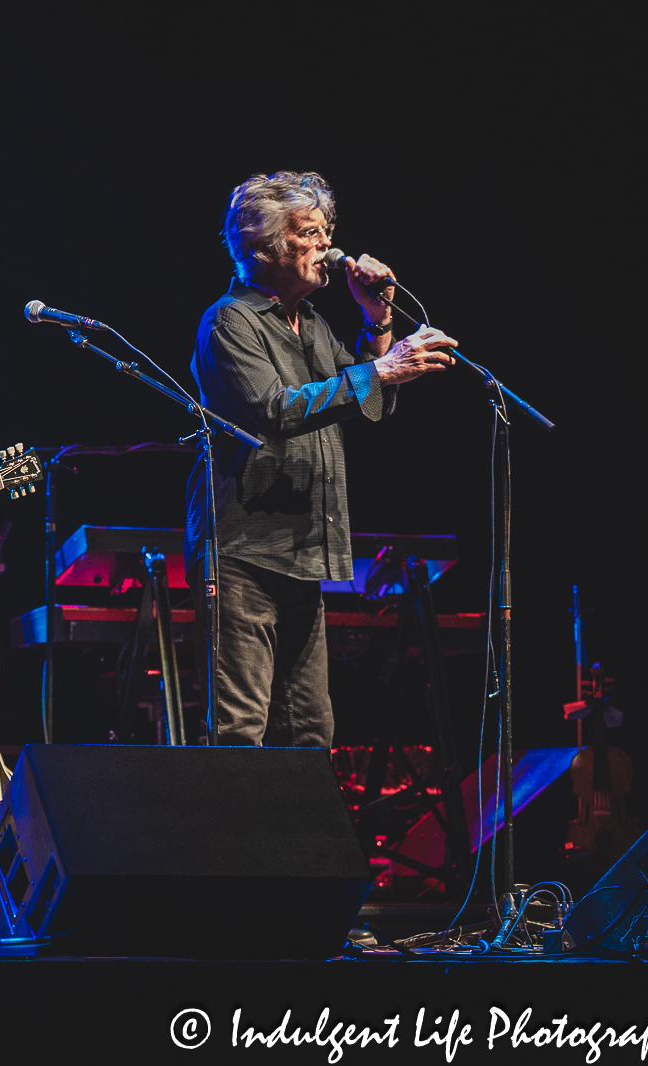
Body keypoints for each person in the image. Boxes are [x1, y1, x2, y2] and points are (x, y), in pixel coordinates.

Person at [184, 171, 456, 749]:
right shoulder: (230, 321)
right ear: (262, 247)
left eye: (327, 230)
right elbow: (276, 411)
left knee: (311, 729)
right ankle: (231, 842)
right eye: (309, 232)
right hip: (243, 550)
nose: (327, 246)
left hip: (303, 547)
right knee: (241, 730)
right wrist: (380, 368)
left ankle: (289, 842)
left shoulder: (313, 325)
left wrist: (378, 323)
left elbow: (370, 402)